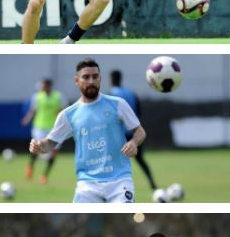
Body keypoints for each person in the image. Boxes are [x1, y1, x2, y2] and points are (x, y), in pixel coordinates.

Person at [29, 59, 146, 203]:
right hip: (87, 185)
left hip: (120, 181)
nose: (91, 81)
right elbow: (50, 144)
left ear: (100, 79)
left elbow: (140, 131)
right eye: (86, 77)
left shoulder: (118, 104)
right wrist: (39, 145)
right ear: (76, 80)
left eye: (95, 77)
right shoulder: (68, 115)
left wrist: (134, 142)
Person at [109, 70, 158, 191]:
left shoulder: (111, 95)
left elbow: (110, 116)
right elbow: (139, 112)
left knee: (114, 162)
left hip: (120, 135)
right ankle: (152, 182)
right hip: (135, 133)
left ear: (111, 79)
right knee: (140, 159)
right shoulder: (131, 93)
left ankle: (114, 188)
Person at [21, 79, 64, 183]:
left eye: (43, 86)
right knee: (36, 148)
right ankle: (30, 166)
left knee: (54, 152)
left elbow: (61, 111)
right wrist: (27, 119)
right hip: (39, 127)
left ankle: (44, 175)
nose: (42, 88)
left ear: (49, 86)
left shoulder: (58, 96)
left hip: (53, 128)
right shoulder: (37, 97)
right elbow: (33, 110)